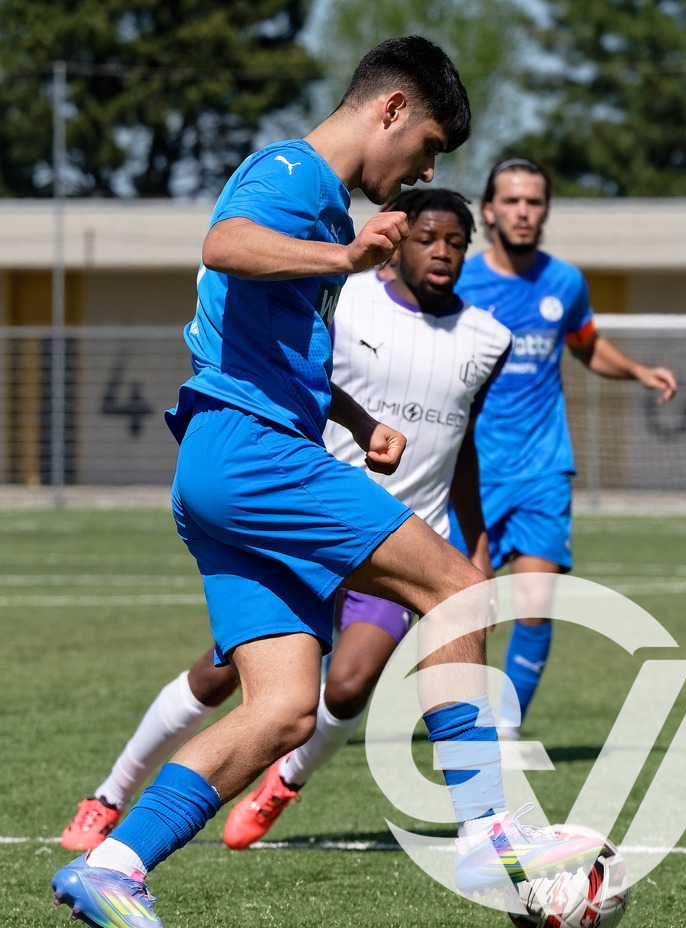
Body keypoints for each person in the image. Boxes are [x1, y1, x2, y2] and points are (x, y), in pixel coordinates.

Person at [51, 43, 604, 928]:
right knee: (460, 591)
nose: (426, 174)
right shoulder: (293, 173)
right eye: (427, 147)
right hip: (253, 453)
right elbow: (223, 243)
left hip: (228, 462)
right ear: (390, 109)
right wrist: (343, 253)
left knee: (281, 713)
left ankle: (114, 863)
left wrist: (353, 414)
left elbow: (261, 332)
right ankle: (484, 829)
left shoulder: (321, 205)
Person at [62, 187, 511, 852]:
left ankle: (278, 788)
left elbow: (467, 446)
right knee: (230, 680)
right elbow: (247, 293)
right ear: (395, 247)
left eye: (456, 241)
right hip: (303, 509)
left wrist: (475, 539)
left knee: (336, 688)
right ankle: (109, 797)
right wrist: (356, 417)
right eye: (427, 237)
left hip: (400, 531)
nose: (442, 251)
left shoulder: (488, 337)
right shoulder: (340, 278)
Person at [450, 156, 678, 738]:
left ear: (544, 209)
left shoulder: (565, 283)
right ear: (490, 210)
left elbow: (586, 346)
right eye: (513, 201)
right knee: (452, 611)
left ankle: (501, 729)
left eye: (535, 202)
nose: (524, 212)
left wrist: (639, 371)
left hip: (542, 468)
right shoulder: (460, 281)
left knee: (534, 604)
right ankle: (346, 698)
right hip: (468, 473)